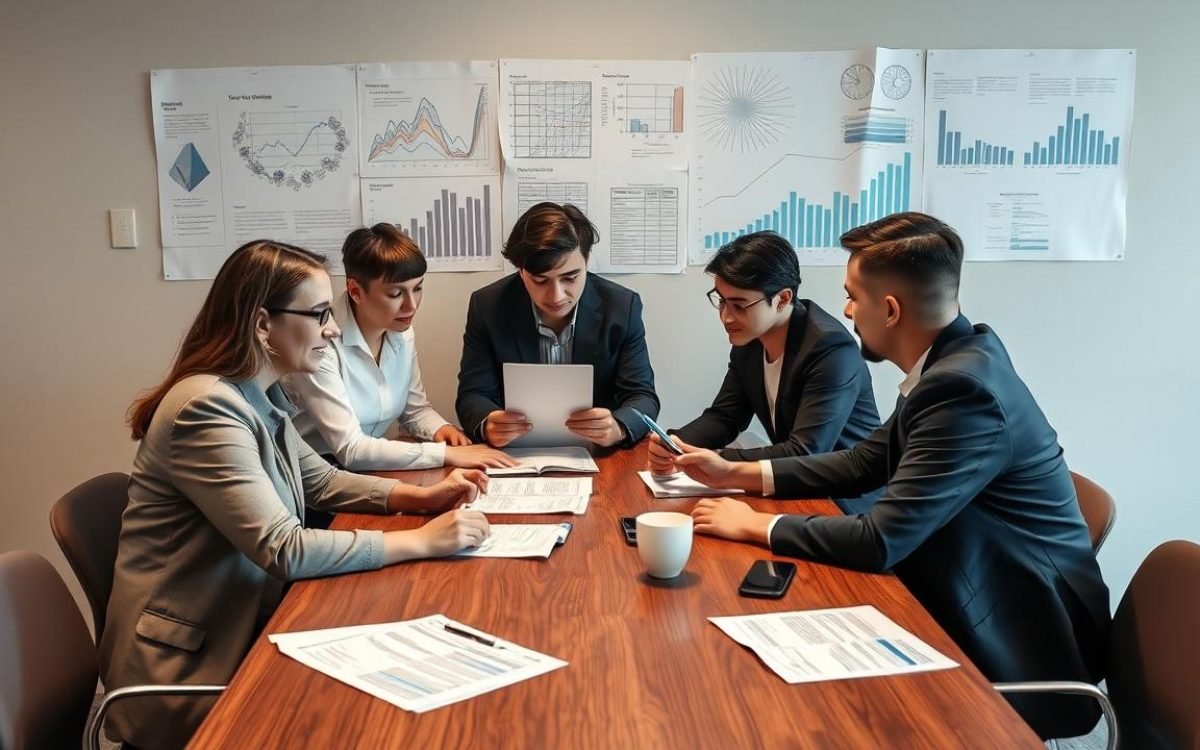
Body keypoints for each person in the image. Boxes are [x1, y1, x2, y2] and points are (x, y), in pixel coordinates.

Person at [658, 212, 1110, 740]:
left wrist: (755, 524)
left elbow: (881, 540)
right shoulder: (957, 361)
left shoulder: (964, 391)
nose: (845, 310)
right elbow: (864, 462)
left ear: (889, 309)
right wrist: (736, 472)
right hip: (966, 586)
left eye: (853, 295)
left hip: (1017, 640)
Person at [101, 240, 491, 749]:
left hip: (248, 622)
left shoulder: (256, 392)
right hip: (188, 672)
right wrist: (422, 542)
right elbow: (283, 547)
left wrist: (422, 499)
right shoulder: (206, 409)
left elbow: (322, 482)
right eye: (320, 314)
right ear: (263, 324)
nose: (332, 329)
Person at [647, 231, 880, 512]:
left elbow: (805, 450)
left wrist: (719, 460)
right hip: (795, 490)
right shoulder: (750, 341)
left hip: (846, 504)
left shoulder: (830, 349)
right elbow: (725, 416)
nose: (726, 317)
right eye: (721, 300)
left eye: (739, 305)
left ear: (782, 299)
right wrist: (677, 443)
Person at [283, 223, 516, 472]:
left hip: (372, 468)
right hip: (316, 475)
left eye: (417, 288)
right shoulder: (320, 343)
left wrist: (443, 430)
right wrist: (443, 453)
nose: (411, 305)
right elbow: (350, 449)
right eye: (395, 294)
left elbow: (414, 411)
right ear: (355, 291)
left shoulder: (400, 331)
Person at [456, 202, 659, 448]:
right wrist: (487, 423)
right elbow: (473, 395)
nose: (556, 296)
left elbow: (642, 396)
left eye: (570, 278)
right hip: (515, 454)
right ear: (521, 271)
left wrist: (618, 427)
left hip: (599, 454)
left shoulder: (621, 307)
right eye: (540, 280)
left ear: (588, 260)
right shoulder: (488, 306)